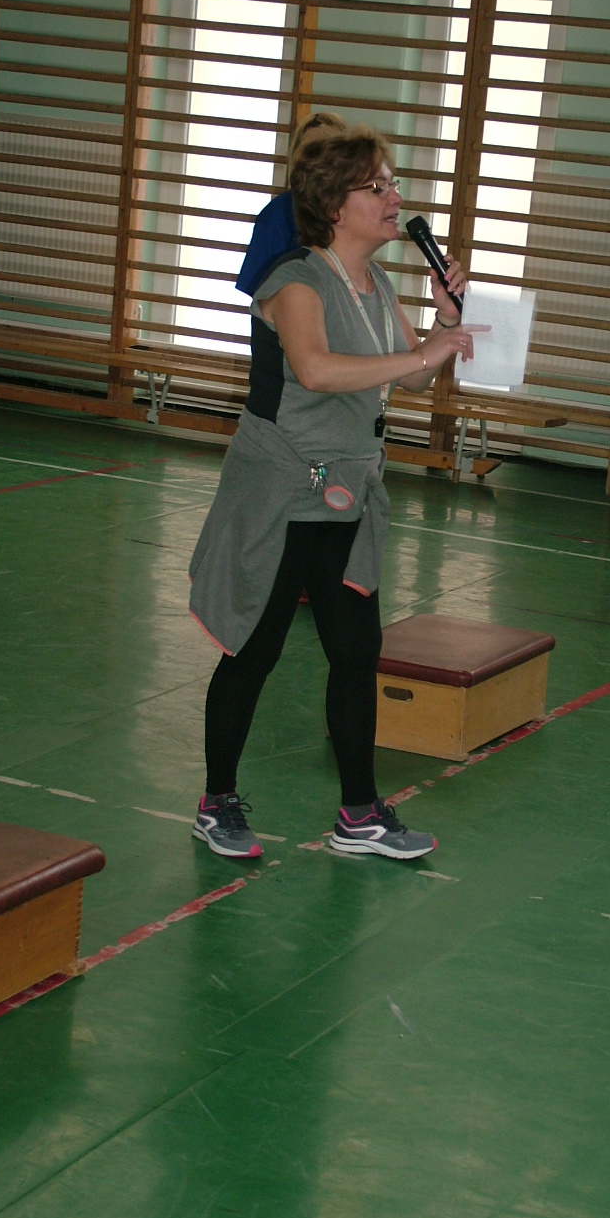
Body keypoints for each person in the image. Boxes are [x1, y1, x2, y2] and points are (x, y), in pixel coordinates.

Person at [189, 125, 484, 861]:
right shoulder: (296, 279)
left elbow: (410, 375)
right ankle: (216, 801)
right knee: (254, 651)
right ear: (333, 205)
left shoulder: (376, 284)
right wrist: (419, 354)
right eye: (376, 186)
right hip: (282, 487)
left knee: (356, 652)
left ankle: (360, 813)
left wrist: (444, 323)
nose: (394, 197)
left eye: (392, 183)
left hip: (346, 489)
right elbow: (316, 370)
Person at [235, 112, 347, 299]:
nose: (321, 159)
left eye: (330, 149)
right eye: (312, 151)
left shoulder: (356, 209)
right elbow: (261, 291)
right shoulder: (278, 213)